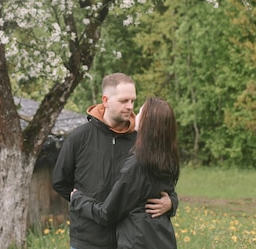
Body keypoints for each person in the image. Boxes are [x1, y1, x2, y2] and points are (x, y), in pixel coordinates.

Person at [52, 73, 177, 249]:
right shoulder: (78, 138)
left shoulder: (142, 142)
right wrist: (83, 205)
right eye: (124, 101)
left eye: (133, 101)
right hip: (88, 240)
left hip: (127, 240)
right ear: (106, 100)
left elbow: (161, 186)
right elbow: (60, 182)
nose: (130, 107)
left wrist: (171, 203)